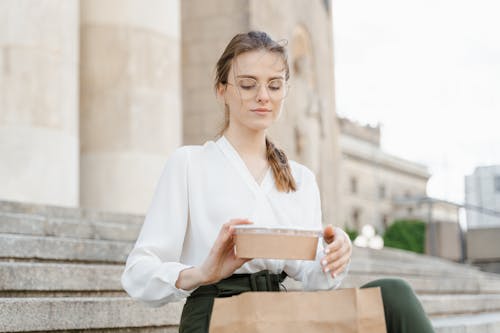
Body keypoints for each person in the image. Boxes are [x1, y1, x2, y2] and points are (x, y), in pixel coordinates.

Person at [121, 31, 435, 333]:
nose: (262, 96)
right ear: (221, 90)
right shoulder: (189, 163)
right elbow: (138, 272)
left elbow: (313, 278)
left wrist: (334, 255)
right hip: (215, 314)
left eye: (274, 85)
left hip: (279, 315)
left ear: (285, 90)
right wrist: (201, 273)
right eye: (247, 85)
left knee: (394, 295)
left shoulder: (300, 178)